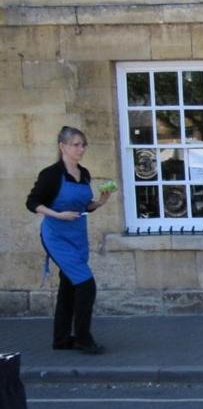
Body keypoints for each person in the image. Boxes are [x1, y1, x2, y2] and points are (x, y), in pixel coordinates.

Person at [25, 126, 115, 354]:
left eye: (83, 144)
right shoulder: (51, 174)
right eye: (76, 144)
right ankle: (83, 339)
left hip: (78, 236)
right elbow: (32, 203)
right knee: (86, 284)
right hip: (56, 236)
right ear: (62, 146)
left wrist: (100, 202)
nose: (81, 148)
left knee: (68, 286)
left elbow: (84, 206)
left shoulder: (83, 173)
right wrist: (57, 214)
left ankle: (61, 339)